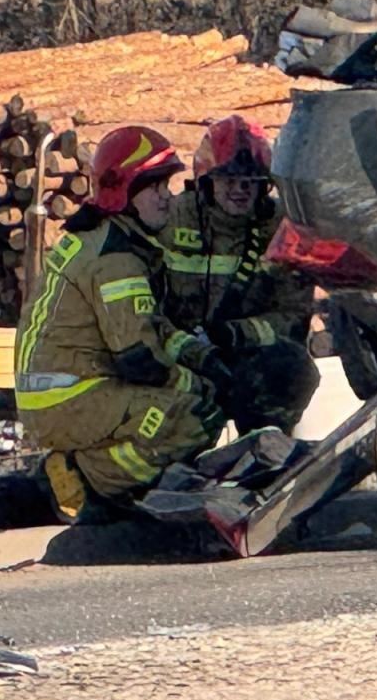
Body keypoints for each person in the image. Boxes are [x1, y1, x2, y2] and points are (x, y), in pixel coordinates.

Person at [14, 125, 231, 522]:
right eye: (155, 187)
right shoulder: (117, 259)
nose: (167, 197)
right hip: (69, 397)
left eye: (167, 184)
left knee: (194, 398)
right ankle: (93, 482)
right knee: (191, 414)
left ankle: (99, 474)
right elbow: (138, 357)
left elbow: (155, 328)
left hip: (64, 391)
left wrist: (206, 358)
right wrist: (204, 384)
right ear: (125, 190)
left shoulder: (110, 237)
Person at [159, 115, 318, 434]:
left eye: (251, 181)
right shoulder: (172, 220)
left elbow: (293, 317)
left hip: (242, 362)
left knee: (291, 368)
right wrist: (186, 348)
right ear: (206, 181)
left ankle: (264, 455)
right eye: (229, 180)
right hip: (174, 358)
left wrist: (233, 334)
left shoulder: (280, 229)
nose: (240, 190)